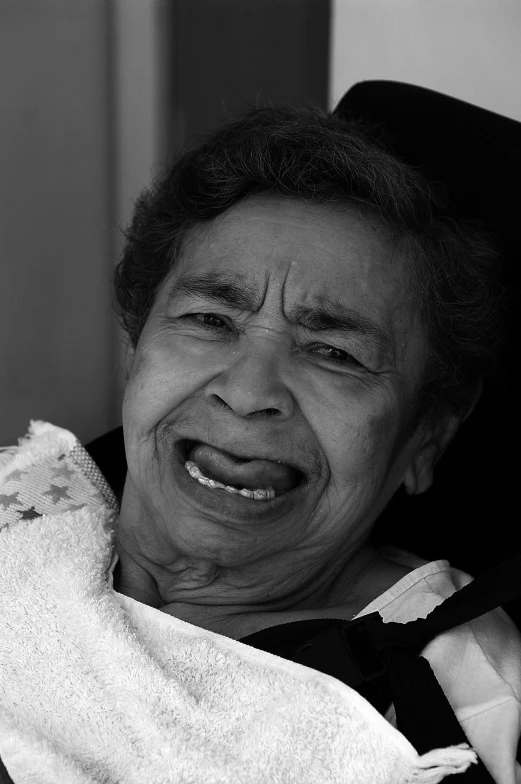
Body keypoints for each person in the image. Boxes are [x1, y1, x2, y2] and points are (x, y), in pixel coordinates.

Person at [0, 87, 520, 783]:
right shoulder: (31, 507)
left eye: (334, 353)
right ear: (136, 350)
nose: (246, 393)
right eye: (209, 320)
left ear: (425, 435)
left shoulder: (456, 707)